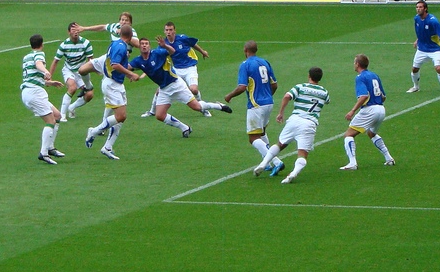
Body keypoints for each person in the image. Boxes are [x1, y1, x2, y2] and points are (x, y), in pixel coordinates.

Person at [130, 37, 232, 138]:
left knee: (197, 107)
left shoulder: (157, 53)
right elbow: (127, 67)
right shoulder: (138, 60)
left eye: (146, 44)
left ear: (149, 46)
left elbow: (172, 51)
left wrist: (164, 45)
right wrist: (128, 74)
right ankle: (185, 128)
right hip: (164, 89)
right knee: (160, 115)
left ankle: (218, 106)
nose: (144, 46)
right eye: (142, 44)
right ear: (139, 46)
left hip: (176, 85)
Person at [253, 66, 330, 184]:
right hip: (309, 124)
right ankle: (293, 173)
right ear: (320, 78)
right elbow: (327, 101)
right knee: (302, 153)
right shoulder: (324, 92)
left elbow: (287, 96)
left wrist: (281, 113)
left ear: (309, 76)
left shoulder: (300, 87)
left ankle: (263, 164)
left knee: (280, 144)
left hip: (294, 120)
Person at [224, 40, 284, 176]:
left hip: (256, 105)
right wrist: (267, 96)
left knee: (253, 138)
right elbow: (274, 85)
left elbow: (242, 87)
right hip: (269, 102)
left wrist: (229, 96)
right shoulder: (265, 62)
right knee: (262, 133)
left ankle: (276, 162)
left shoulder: (245, 65)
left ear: (245, 50)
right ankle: (267, 163)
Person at [85, 25, 141, 160]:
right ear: (130, 37)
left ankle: (108, 147)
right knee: (121, 116)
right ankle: (94, 131)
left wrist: (127, 75)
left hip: (117, 84)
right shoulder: (121, 47)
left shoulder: (116, 44)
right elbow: (115, 64)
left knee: (121, 118)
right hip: (112, 85)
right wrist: (130, 74)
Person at [142, 22, 212, 118]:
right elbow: (155, 57)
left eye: (170, 30)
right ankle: (152, 111)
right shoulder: (163, 44)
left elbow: (193, 43)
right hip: (176, 70)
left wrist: (203, 52)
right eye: (166, 30)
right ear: (164, 31)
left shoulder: (182, 38)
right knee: (159, 90)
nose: (168, 32)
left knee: (194, 90)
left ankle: (203, 108)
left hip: (190, 68)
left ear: (174, 30)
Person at [340, 54, 395, 171]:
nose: (354, 65)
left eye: (354, 62)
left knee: (348, 135)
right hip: (381, 109)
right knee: (371, 133)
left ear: (358, 64)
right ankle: (389, 158)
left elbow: (364, 95)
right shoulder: (375, 75)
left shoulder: (360, 77)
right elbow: (383, 96)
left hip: (369, 110)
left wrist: (352, 111)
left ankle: (352, 163)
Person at [21, 34, 65, 165]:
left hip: (29, 91)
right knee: (50, 121)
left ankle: (50, 147)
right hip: (35, 93)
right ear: (42, 44)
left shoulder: (26, 57)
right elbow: (38, 64)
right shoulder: (39, 54)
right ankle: (43, 153)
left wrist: (50, 83)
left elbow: (33, 77)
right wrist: (46, 71)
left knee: (57, 115)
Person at [49, 22, 94, 123]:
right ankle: (62, 115)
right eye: (73, 30)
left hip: (81, 72)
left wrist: (95, 69)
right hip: (68, 70)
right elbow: (56, 61)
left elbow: (91, 59)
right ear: (68, 32)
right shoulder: (64, 45)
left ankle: (72, 107)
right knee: (72, 87)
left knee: (89, 94)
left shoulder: (86, 43)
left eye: (77, 30)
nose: (76, 32)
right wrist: (49, 76)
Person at [73, 12, 139, 78]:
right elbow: (103, 27)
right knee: (82, 70)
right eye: (122, 20)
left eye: (126, 20)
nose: (124, 22)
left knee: (110, 81)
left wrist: (124, 34)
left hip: (119, 60)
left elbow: (138, 44)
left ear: (130, 23)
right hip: (108, 57)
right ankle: (88, 87)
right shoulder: (115, 26)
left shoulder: (131, 32)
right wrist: (84, 28)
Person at [407, 0, 440, 96]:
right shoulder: (416, 19)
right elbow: (420, 31)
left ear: (425, 9)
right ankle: (416, 87)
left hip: (435, 49)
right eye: (417, 7)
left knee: (438, 68)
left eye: (420, 7)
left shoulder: (433, 21)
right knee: (414, 69)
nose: (418, 9)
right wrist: (417, 40)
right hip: (422, 49)